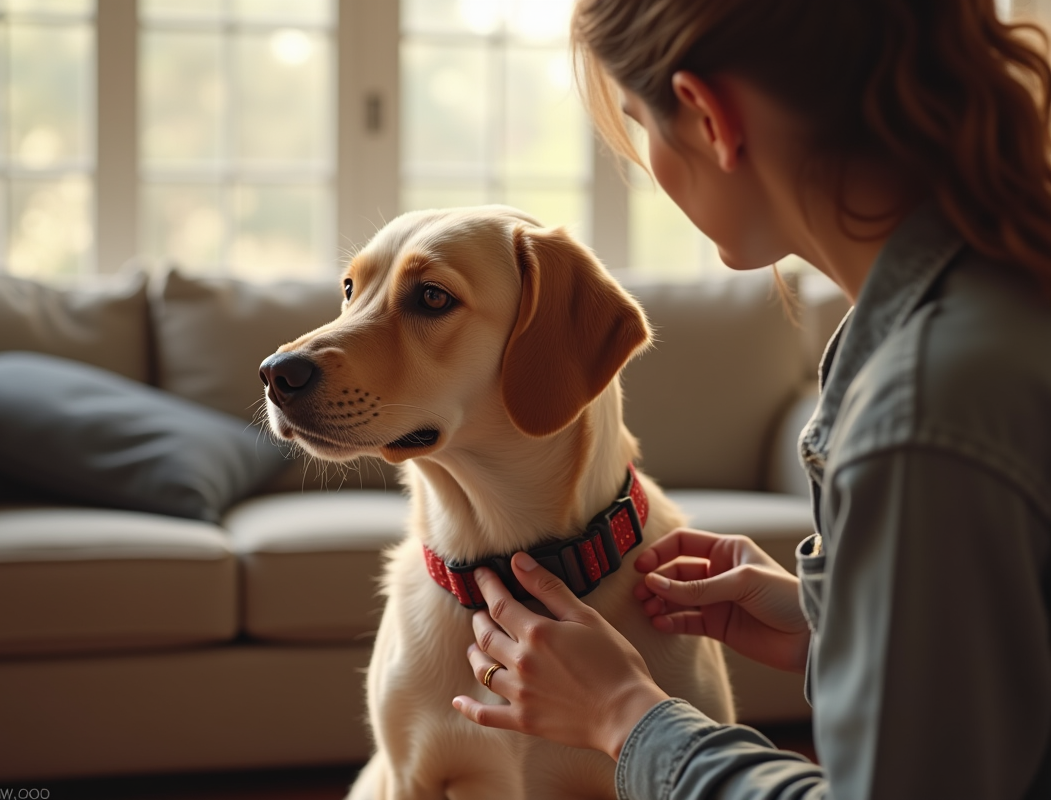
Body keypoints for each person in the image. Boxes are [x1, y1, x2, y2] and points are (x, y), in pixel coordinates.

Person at [449, 1, 1051, 797]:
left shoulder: (920, 410)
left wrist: (625, 716)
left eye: (640, 122)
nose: (651, 163)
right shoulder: (1001, 299)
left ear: (706, 115)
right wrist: (827, 624)